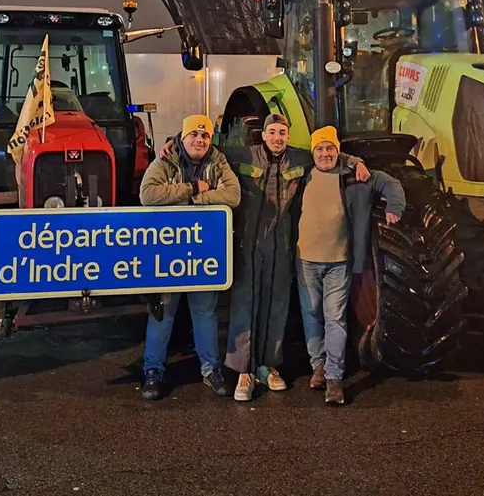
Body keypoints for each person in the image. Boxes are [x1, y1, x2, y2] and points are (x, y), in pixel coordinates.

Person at [161, 114, 370, 401]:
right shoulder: (242, 155)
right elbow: (203, 145)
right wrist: (173, 142)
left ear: (288, 136)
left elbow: (327, 153)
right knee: (245, 304)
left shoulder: (299, 159)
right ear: (263, 135)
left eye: (282, 133)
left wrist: (356, 162)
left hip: (282, 245)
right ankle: (243, 370)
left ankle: (269, 366)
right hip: (249, 242)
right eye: (272, 132)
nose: (277, 138)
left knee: (277, 305)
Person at [289, 126, 406, 405]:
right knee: (311, 314)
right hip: (305, 259)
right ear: (313, 152)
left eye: (330, 148)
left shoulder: (356, 176)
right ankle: (317, 364)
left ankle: (333, 377)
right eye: (320, 149)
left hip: (339, 262)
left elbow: (390, 184)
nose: (325, 153)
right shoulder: (301, 175)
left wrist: (395, 208)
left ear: (337, 150)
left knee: (335, 318)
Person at [138, 114, 241, 401]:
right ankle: (153, 372)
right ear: (182, 138)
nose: (199, 140)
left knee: (205, 314)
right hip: (168, 253)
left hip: (203, 253)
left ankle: (211, 370)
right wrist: (192, 188)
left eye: (205, 136)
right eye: (194, 135)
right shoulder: (165, 160)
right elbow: (147, 194)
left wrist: (196, 201)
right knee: (162, 313)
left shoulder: (218, 161)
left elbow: (232, 195)